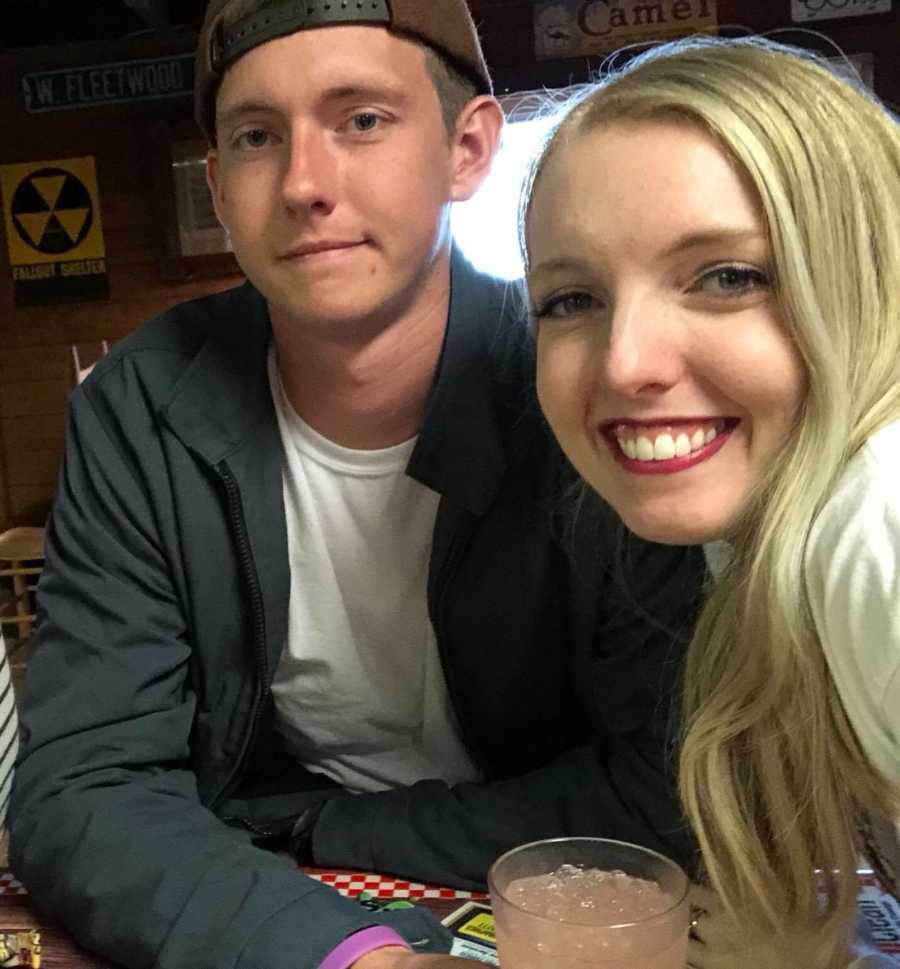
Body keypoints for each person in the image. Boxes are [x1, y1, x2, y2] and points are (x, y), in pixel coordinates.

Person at [8, 3, 703, 969]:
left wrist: (331, 825)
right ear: (217, 184)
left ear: (467, 151)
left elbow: (672, 792)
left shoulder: (589, 384)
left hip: (541, 897)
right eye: (256, 137)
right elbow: (81, 787)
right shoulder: (140, 406)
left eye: (361, 120)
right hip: (264, 907)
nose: (302, 183)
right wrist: (352, 956)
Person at [523, 34, 900, 969]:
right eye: (571, 299)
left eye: (729, 277)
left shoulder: (875, 518)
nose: (625, 364)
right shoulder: (761, 530)